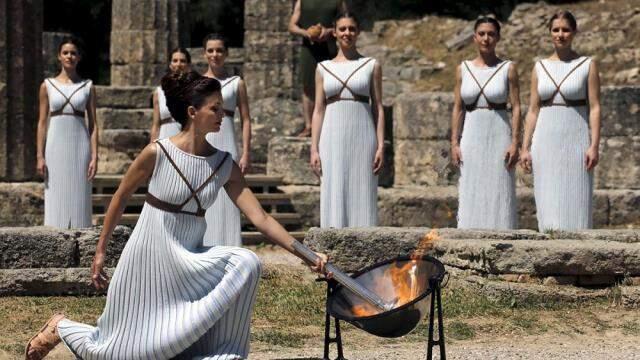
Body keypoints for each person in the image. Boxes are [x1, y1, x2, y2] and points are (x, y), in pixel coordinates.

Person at [24, 71, 327, 360]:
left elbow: (261, 217)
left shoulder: (224, 164)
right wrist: (100, 250)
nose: (223, 114)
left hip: (189, 259)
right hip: (147, 259)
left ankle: (221, 351)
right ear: (193, 112)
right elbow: (119, 198)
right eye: (216, 108)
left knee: (247, 262)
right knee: (119, 352)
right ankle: (61, 326)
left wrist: (307, 255)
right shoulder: (157, 152)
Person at [520, 10, 601, 231]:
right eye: (556, 30)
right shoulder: (540, 67)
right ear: (550, 33)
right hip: (545, 140)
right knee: (548, 199)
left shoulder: (587, 65)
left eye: (565, 29)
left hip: (576, 138)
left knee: (577, 198)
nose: (560, 34)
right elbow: (533, 110)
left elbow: (594, 108)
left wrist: (594, 146)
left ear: (574, 32)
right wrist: (525, 147)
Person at [310, 13, 384, 228]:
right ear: (334, 33)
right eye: (342, 29)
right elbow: (318, 109)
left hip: (363, 134)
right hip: (331, 136)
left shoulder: (371, 65)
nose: (347, 33)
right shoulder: (323, 68)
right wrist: (314, 148)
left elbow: (378, 107)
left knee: (363, 188)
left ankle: (366, 246)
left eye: (351, 29)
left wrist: (381, 146)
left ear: (358, 32)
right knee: (334, 188)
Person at [451, 17, 521, 229]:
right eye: (481, 34)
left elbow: (517, 106)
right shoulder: (462, 69)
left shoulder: (508, 68)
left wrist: (516, 142)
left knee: (499, 186)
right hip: (472, 134)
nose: (486, 38)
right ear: (474, 37)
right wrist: (454, 142)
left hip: (499, 131)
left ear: (498, 37)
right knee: (471, 185)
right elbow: (458, 107)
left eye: (491, 34)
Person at [36, 35, 98, 228]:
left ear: (79, 57)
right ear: (59, 57)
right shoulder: (47, 85)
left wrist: (95, 156)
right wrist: (40, 155)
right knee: (55, 194)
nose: (69, 56)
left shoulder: (87, 86)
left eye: (73, 53)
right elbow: (42, 123)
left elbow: (94, 124)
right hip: (55, 146)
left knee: (80, 195)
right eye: (65, 53)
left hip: (80, 146)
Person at [202, 34, 252, 246]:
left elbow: (247, 120)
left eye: (219, 50)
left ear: (227, 54)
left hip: (228, 143)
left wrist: (246, 152)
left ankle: (230, 247)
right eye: (211, 50)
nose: (215, 55)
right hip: (204, 145)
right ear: (205, 53)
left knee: (230, 197)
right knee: (205, 196)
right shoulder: (198, 83)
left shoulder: (236, 83)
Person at [289, 0, 348, 137]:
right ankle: (309, 126)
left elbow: (346, 22)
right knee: (308, 86)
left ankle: (329, 124)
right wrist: (307, 33)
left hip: (329, 48)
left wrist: (329, 31)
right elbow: (292, 26)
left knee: (332, 86)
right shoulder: (302, 1)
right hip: (309, 49)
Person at [150, 47, 191, 141]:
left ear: (188, 64)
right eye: (175, 60)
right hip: (164, 139)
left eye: (182, 61)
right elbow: (156, 125)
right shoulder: (159, 92)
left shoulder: (195, 90)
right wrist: (152, 145)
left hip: (187, 141)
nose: (178, 64)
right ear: (170, 65)